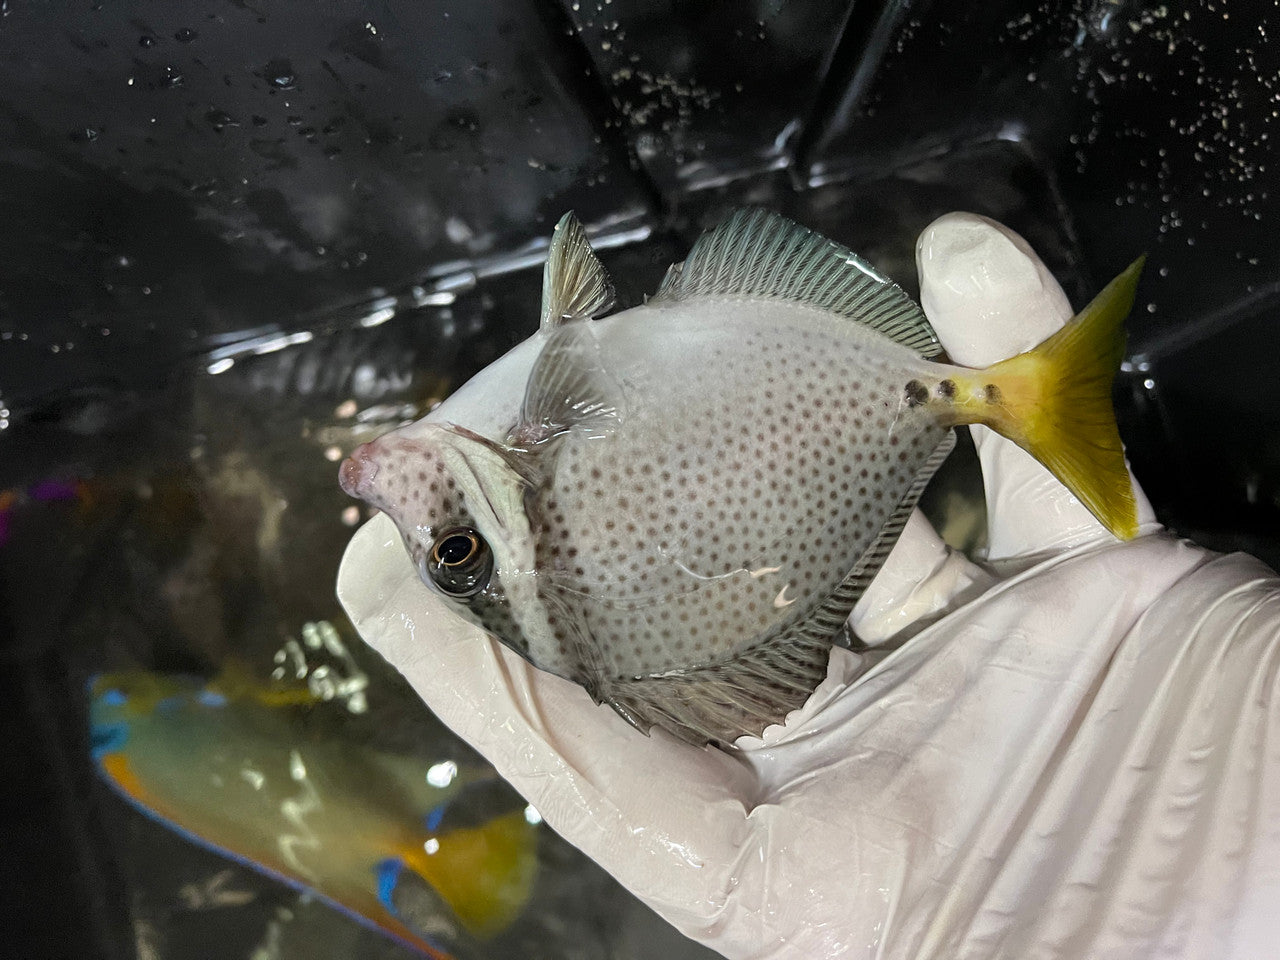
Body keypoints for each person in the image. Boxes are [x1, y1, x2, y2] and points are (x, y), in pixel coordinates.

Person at [339, 213, 1280, 960]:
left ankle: (993, 393)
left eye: (455, 554)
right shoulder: (520, 435)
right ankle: (992, 392)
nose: (417, 519)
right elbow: (574, 322)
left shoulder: (523, 468)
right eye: (452, 552)